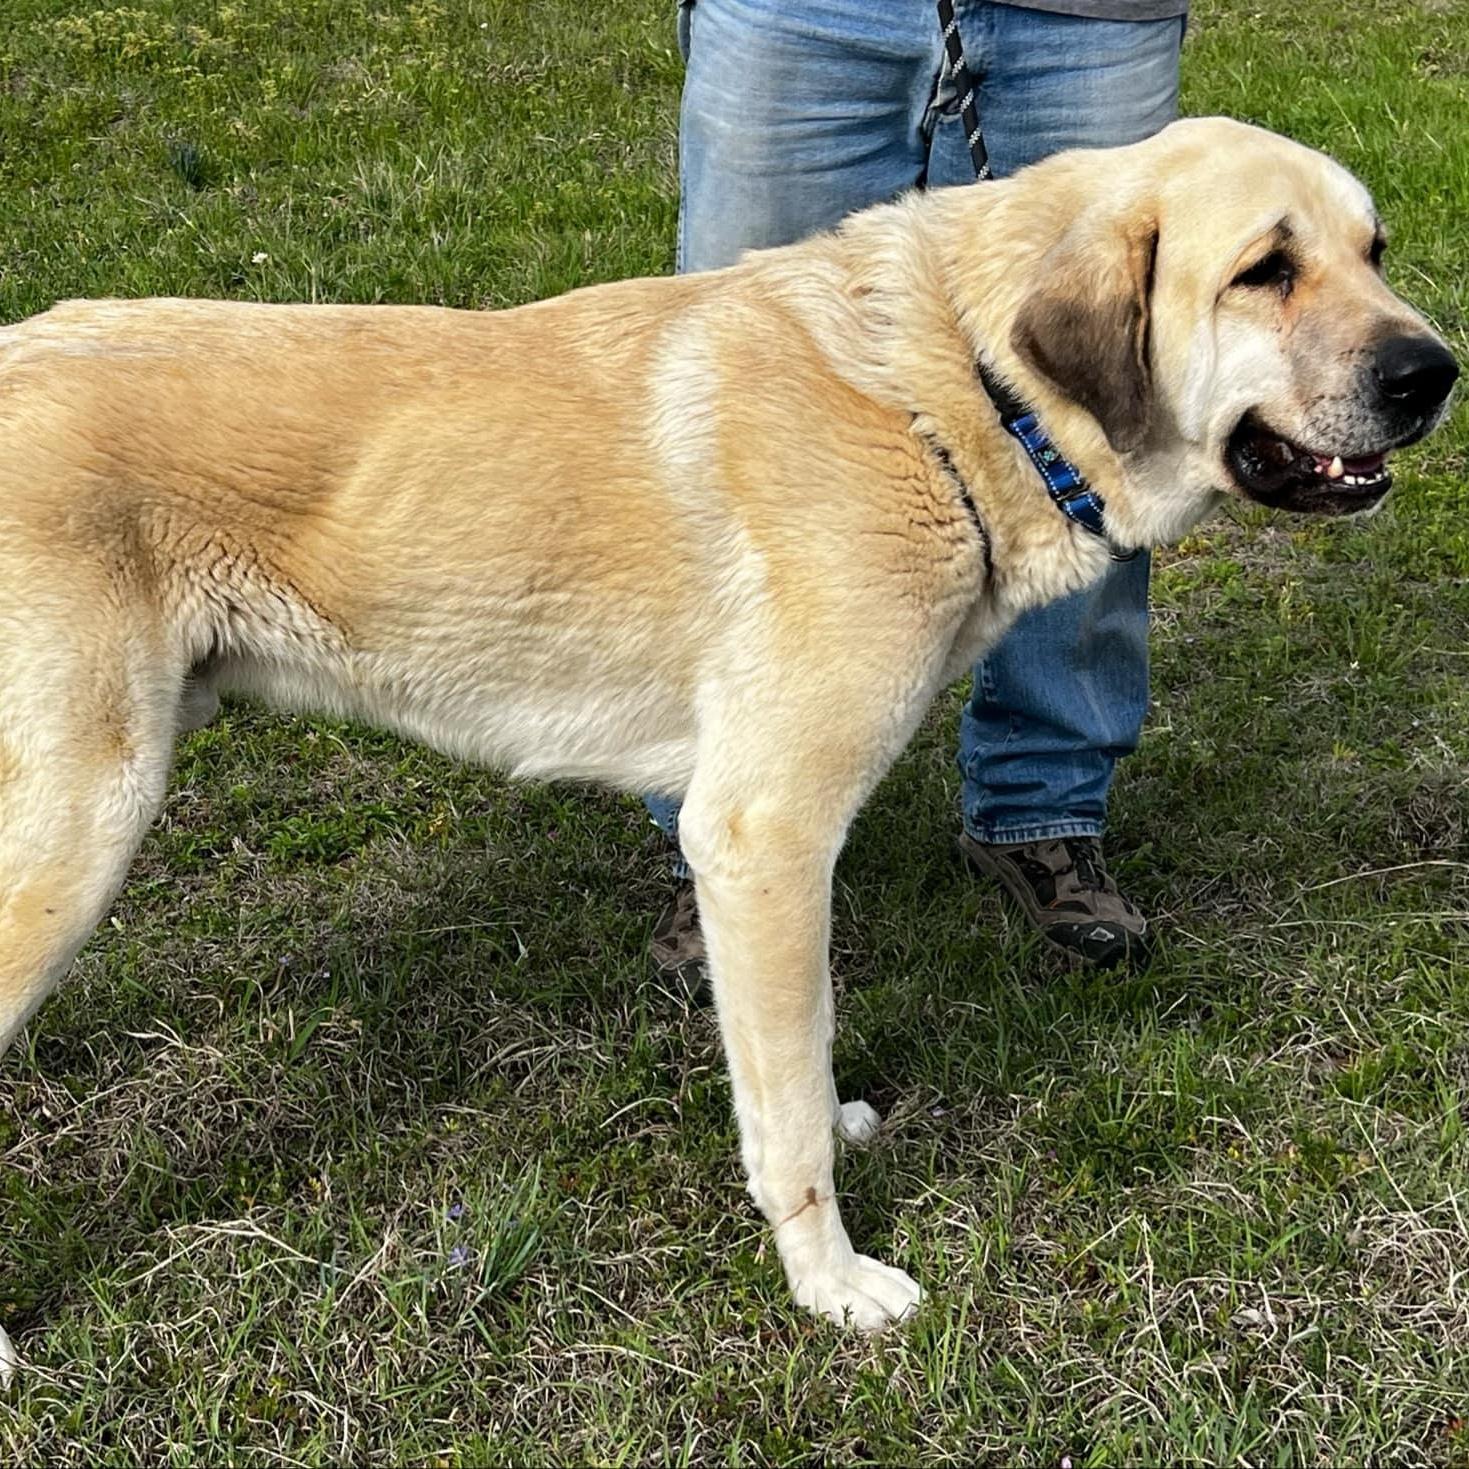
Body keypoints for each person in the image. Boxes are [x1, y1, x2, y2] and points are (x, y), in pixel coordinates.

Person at [648, 0, 1189, 987]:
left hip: (1089, 15)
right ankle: (727, 824)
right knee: (738, 405)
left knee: (1104, 404)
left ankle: (1043, 806)